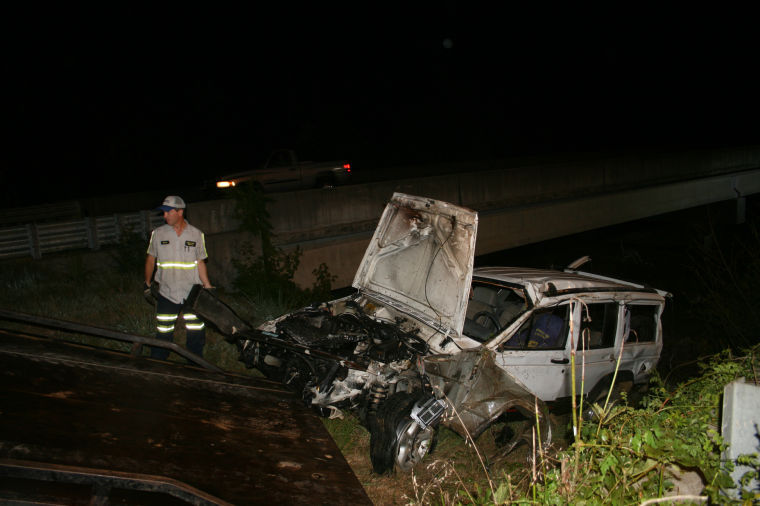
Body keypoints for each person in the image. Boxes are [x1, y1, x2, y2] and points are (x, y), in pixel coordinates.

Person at [144, 195, 212, 360]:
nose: (164, 215)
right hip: (167, 291)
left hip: (192, 292)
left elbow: (200, 262)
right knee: (164, 330)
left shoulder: (196, 234)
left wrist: (208, 287)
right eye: (164, 212)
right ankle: (159, 362)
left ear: (180, 212)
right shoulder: (158, 234)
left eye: (168, 212)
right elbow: (150, 259)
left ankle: (195, 363)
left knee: (195, 329)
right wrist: (147, 283)